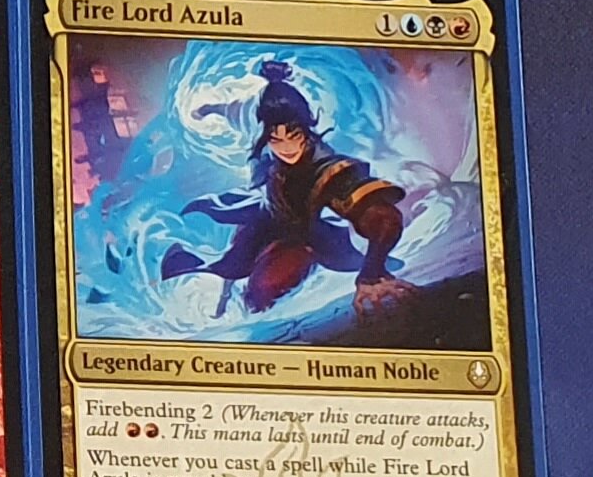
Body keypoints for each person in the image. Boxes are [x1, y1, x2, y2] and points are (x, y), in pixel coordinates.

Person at [161, 60, 408, 312]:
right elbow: (236, 113)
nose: (286, 147)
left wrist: (371, 272)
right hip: (264, 217)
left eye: (293, 135)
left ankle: (246, 290)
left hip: (306, 233)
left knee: (263, 291)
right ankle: (226, 294)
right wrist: (210, 109)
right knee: (238, 260)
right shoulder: (259, 134)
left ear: (306, 129)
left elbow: (384, 218)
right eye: (276, 138)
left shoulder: (326, 168)